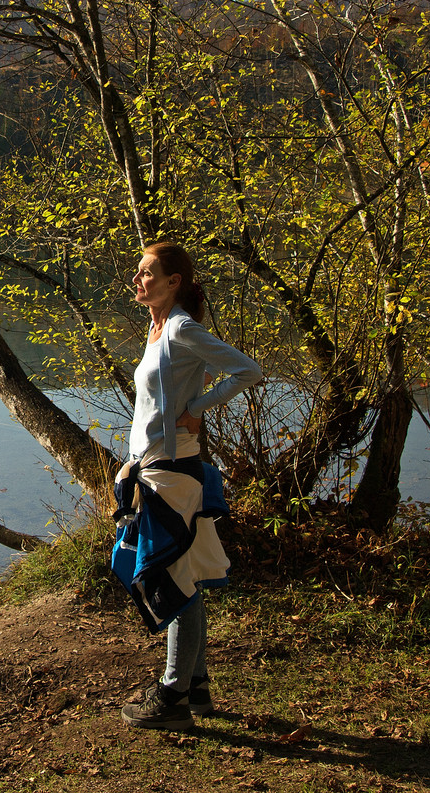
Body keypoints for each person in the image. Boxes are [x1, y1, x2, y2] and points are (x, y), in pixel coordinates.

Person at [112, 241, 263, 731]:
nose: (139, 280)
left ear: (174, 281)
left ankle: (174, 694)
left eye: (148, 273)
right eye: (139, 273)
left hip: (174, 473)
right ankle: (195, 686)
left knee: (175, 579)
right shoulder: (157, 328)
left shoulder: (180, 328)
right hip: (154, 468)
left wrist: (199, 408)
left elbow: (248, 370)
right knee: (182, 575)